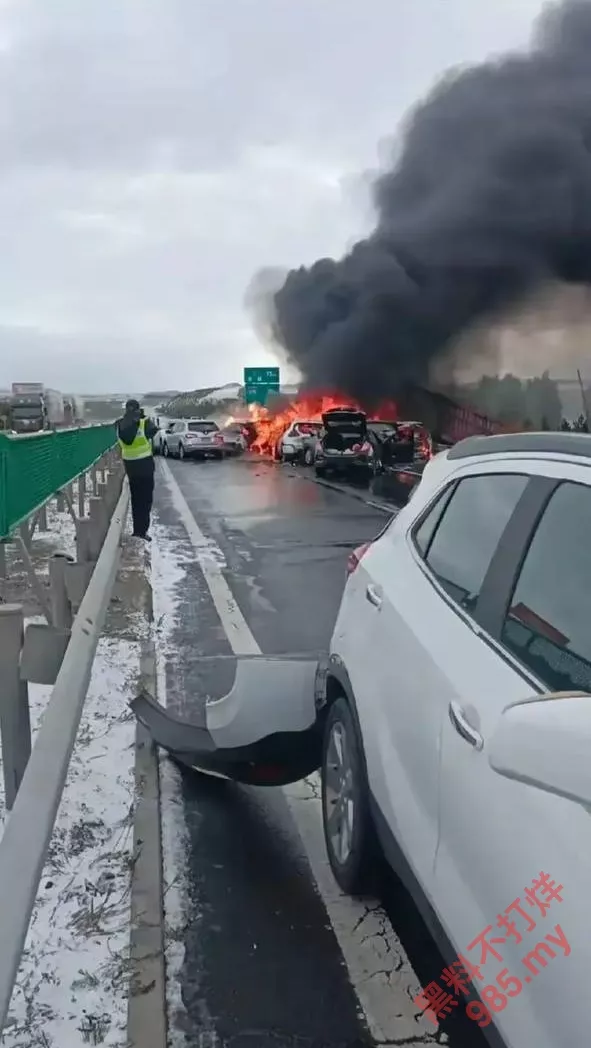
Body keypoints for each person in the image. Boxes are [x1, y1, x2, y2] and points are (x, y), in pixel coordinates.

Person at [116, 399, 158, 541]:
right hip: (145, 466)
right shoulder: (143, 422)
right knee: (145, 501)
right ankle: (141, 531)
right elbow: (153, 432)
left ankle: (136, 531)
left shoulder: (119, 424)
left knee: (136, 499)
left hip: (130, 467)